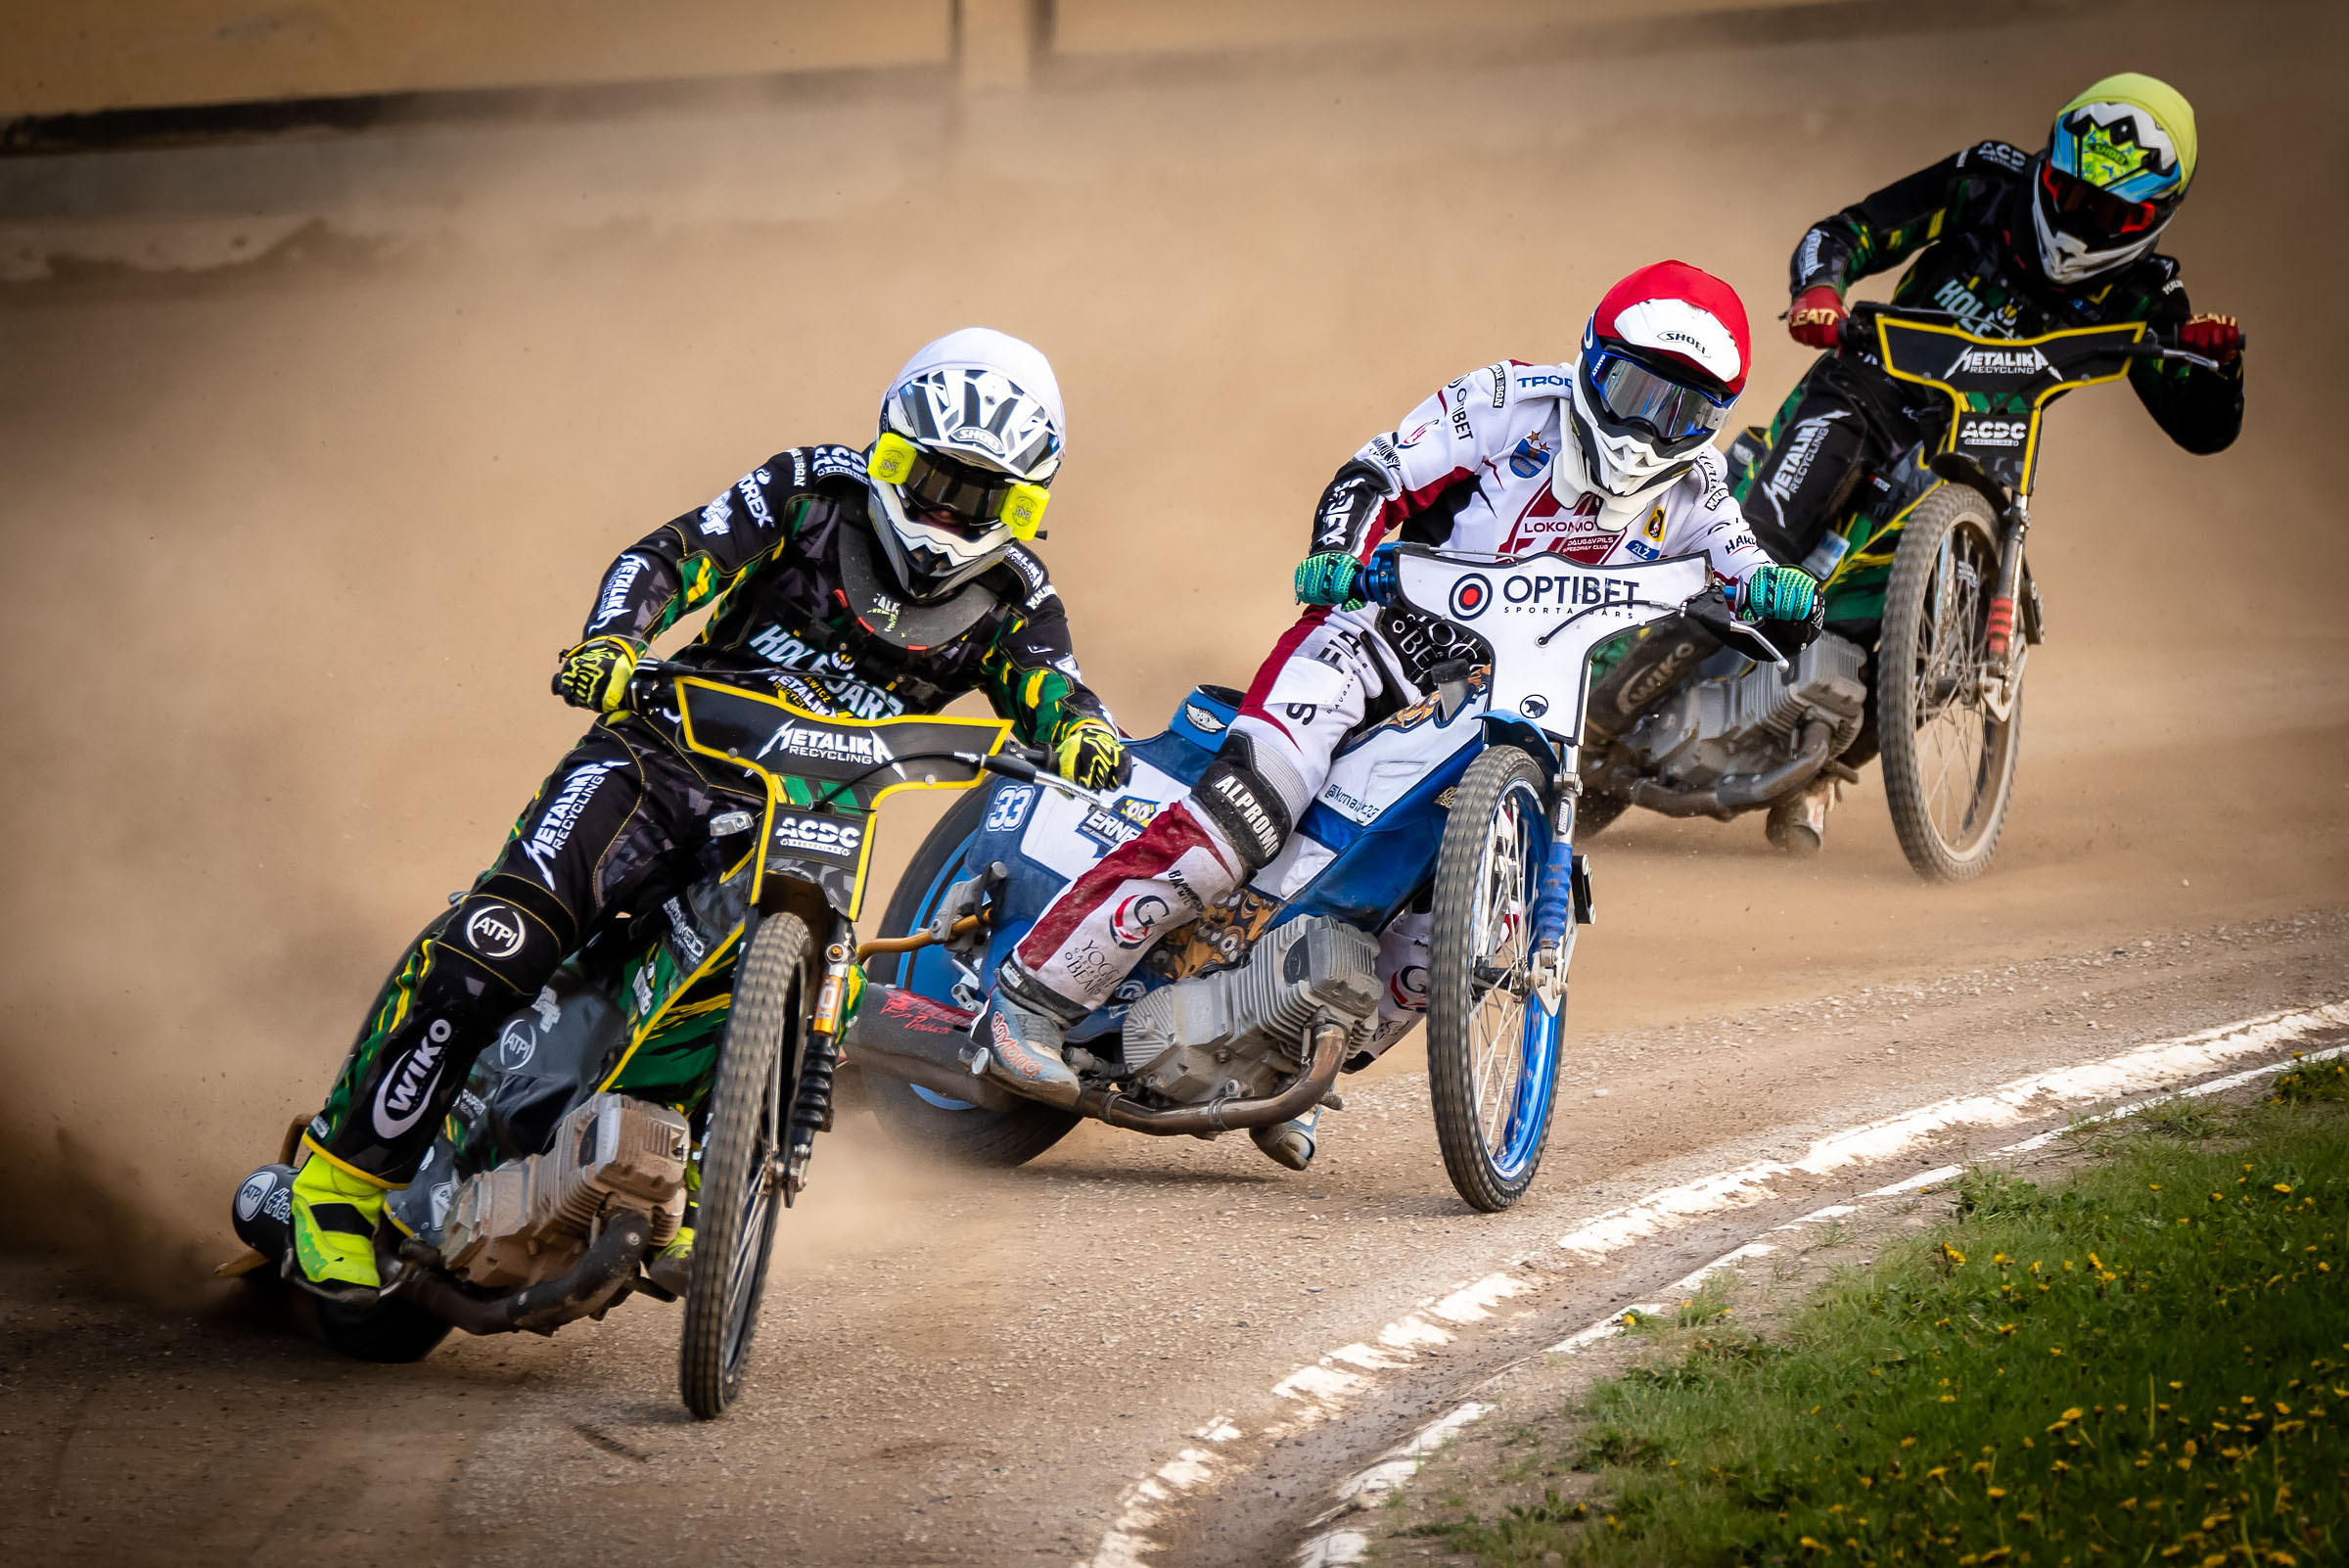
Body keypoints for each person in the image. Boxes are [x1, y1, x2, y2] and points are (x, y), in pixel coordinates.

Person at [287, 328, 1129, 1300]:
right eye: (932, 480)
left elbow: (1059, 690)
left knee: (811, 989)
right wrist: (614, 640)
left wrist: (1085, 736)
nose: (946, 513)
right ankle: (339, 1183)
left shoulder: (1017, 595)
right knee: (503, 937)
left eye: (979, 498)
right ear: (890, 452)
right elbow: (671, 555)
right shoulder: (809, 490)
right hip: (659, 761)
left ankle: (689, 1169)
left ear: (1023, 507)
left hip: (810, 820)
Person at [979, 262, 1821, 1170]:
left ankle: (1283, 1060)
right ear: (1590, 360)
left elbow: (1745, 566)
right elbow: (1372, 475)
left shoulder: (1698, 489)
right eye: (1635, 392)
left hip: (1498, 703)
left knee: (1458, 926)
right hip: (1367, 645)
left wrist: (1784, 595)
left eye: (1684, 411)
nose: (1649, 428)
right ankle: (1029, 1001)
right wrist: (1337, 553)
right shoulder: (1506, 401)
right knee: (1242, 821)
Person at [1738, 72, 2245, 848]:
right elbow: (1848, 231)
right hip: (1868, 390)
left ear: (2156, 216)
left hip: (1980, 456)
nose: (2083, 221)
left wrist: (2218, 365)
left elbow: (2203, 428)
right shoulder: (1986, 180)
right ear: (2048, 167)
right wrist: (1821, 291)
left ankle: (1818, 770)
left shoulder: (2147, 290)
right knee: (1758, 548)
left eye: (2113, 213)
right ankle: (1626, 663)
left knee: (1959, 636)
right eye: (2072, 194)